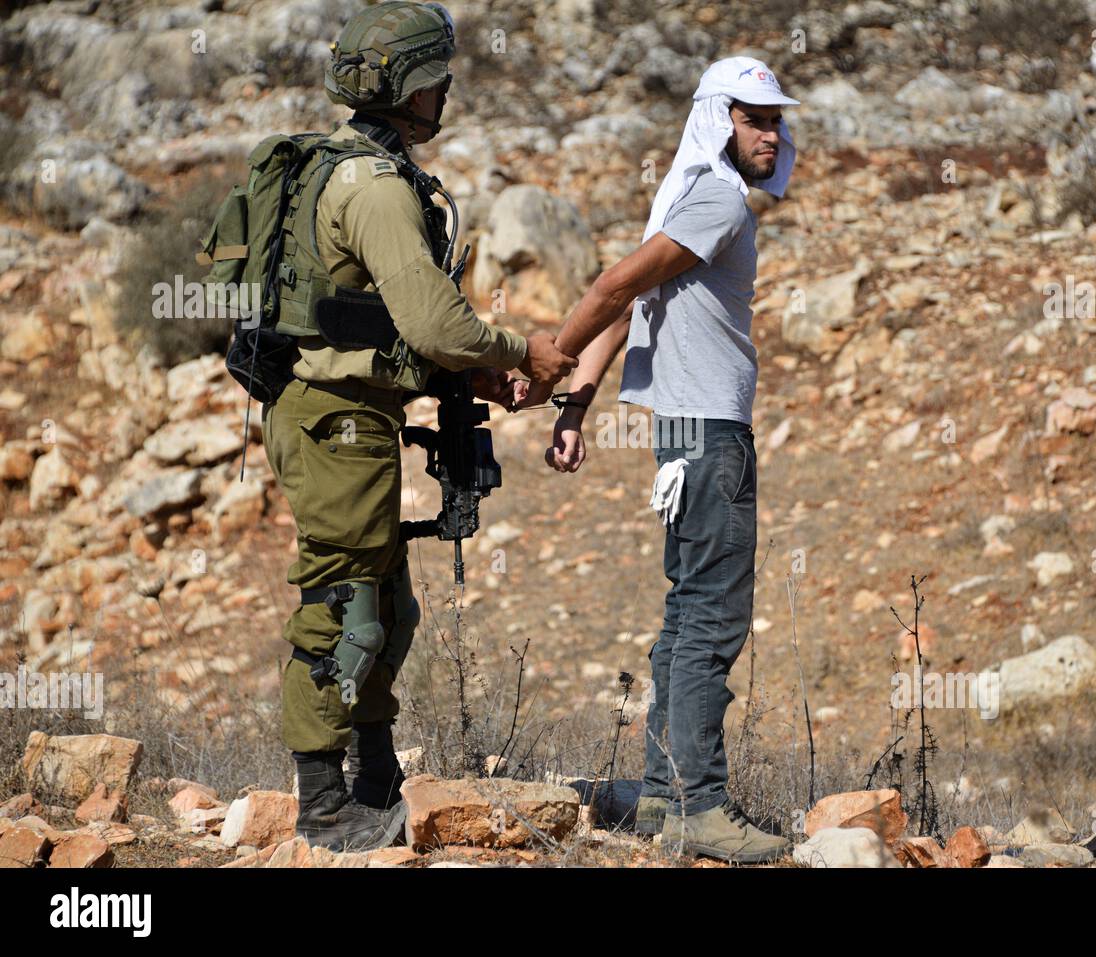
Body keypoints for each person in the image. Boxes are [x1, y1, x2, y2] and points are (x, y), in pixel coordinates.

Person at [262, 0, 575, 852]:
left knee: (386, 607)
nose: (445, 96)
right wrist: (519, 349)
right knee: (341, 608)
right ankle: (324, 807)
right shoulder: (374, 186)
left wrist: (482, 371)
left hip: (352, 416)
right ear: (404, 87)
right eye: (436, 81)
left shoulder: (363, 168)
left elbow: (403, 327)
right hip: (334, 418)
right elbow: (436, 325)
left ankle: (374, 780)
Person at [521, 56, 798, 863]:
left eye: (777, 119)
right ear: (720, 119)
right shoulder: (714, 199)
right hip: (710, 439)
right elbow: (612, 290)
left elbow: (624, 295)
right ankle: (698, 808)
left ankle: (658, 796)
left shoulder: (684, 197)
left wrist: (573, 401)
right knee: (713, 617)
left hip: (680, 437)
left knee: (685, 615)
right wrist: (551, 362)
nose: (772, 133)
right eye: (754, 118)